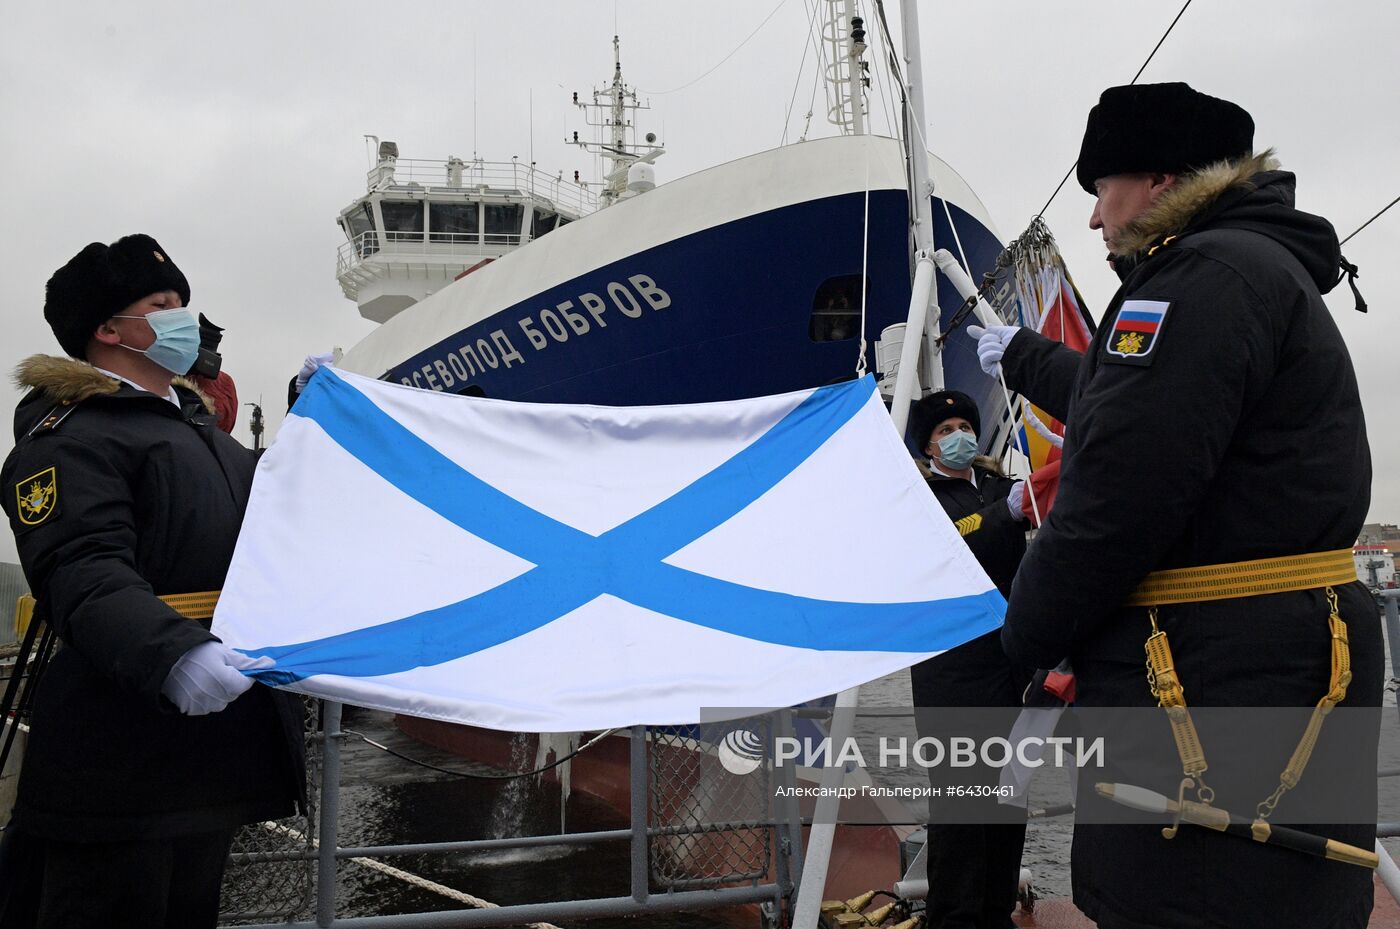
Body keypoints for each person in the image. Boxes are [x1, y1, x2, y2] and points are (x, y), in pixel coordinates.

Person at [968, 83, 1379, 928]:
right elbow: (1134, 399)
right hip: (1283, 662)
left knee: (1177, 897)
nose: (1093, 219)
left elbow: (1113, 495)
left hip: (1200, 683)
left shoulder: (1193, 277)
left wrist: (1020, 638)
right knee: (1284, 892)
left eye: (1100, 189)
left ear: (1157, 181)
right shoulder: (1255, 271)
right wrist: (1026, 358)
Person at [0, 234, 305, 928]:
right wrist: (174, 653)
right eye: (163, 304)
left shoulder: (194, 431)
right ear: (108, 329)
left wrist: (318, 416)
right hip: (121, 756)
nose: (185, 321)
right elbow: (81, 568)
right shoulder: (70, 436)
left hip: (213, 754)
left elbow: (277, 501)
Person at [907, 390, 1031, 929]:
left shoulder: (1005, 488)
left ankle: (995, 912)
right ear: (929, 446)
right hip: (952, 671)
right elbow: (952, 544)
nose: (957, 435)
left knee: (1008, 799)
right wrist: (1006, 513)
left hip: (1013, 668)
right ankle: (954, 918)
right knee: (960, 802)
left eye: (963, 424)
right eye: (944, 429)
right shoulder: (917, 499)